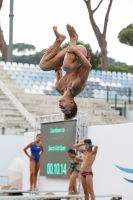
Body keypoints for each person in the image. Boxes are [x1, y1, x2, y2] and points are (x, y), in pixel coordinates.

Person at [40, 24, 92, 120]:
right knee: (67, 66)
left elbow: (57, 68)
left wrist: (49, 54)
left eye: (61, 109)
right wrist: (75, 51)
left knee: (43, 66)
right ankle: (73, 38)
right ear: (71, 102)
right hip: (81, 55)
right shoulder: (76, 86)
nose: (60, 106)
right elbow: (88, 67)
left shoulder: (59, 87)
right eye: (63, 107)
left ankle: (59, 39)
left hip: (68, 56)